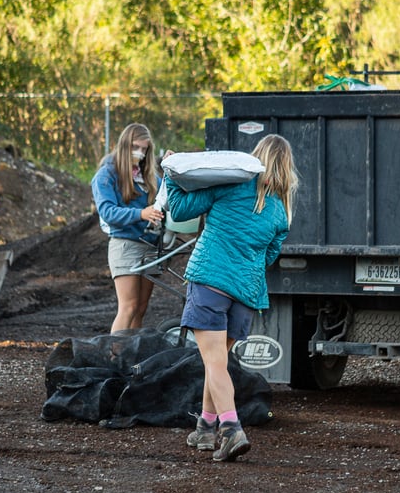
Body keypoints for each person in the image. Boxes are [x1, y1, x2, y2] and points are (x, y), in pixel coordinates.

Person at [163, 134, 297, 462]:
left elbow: (179, 211)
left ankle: (232, 428)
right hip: (246, 294)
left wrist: (168, 174)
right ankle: (206, 428)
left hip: (211, 281)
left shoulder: (231, 185)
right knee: (217, 362)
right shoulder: (281, 213)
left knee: (214, 363)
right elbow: (268, 258)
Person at [91, 123, 166, 333]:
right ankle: (114, 359)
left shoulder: (148, 175)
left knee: (140, 309)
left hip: (150, 246)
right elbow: (107, 213)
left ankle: (131, 356)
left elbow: (166, 195)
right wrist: (141, 214)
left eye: (144, 149)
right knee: (128, 307)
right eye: (136, 147)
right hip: (126, 245)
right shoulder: (106, 175)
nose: (140, 153)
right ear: (124, 145)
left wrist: (170, 168)